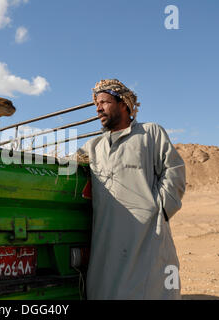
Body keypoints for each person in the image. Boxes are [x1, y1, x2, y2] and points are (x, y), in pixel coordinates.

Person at [77, 79, 186, 300]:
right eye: (96, 104)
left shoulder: (150, 133)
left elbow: (174, 170)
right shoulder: (93, 147)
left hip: (146, 236)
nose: (98, 108)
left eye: (104, 102)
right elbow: (65, 168)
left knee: (150, 289)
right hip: (107, 237)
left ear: (123, 104)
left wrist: (159, 211)